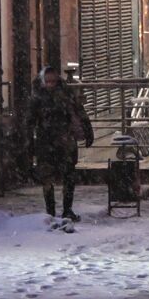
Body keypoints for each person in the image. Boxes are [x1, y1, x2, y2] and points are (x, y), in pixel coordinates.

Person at [26, 65, 93, 223]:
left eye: (52, 81)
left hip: (62, 141)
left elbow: (78, 111)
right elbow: (30, 121)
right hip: (50, 142)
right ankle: (52, 211)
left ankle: (65, 210)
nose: (50, 84)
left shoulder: (60, 93)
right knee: (50, 177)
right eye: (47, 81)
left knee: (67, 176)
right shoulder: (40, 96)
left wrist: (87, 130)